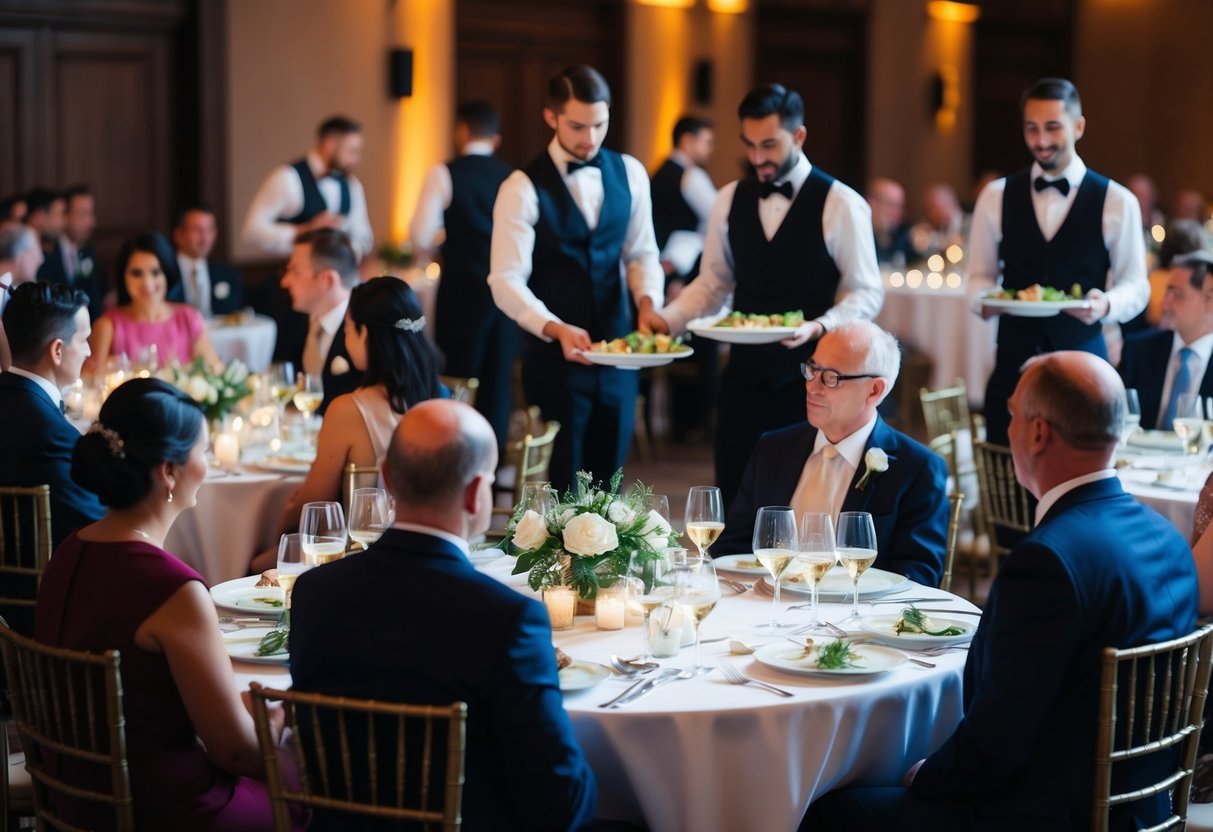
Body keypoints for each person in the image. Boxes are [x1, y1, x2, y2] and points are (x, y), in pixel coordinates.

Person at [805, 351, 1199, 831]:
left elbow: (996, 745)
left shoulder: (1047, 561)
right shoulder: (1168, 538)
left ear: (1037, 432)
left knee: (827, 810)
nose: (1005, 429)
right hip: (1141, 808)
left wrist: (928, 775)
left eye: (1011, 415)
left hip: (1044, 816)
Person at [290, 399, 597, 831]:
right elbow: (559, 802)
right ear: (476, 492)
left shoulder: (313, 592)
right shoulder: (509, 619)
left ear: (387, 476)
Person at [34, 378, 300, 831]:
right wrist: (283, 719)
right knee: (319, 798)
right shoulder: (172, 588)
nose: (210, 461)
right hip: (164, 810)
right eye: (203, 448)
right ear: (169, 473)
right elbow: (235, 750)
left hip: (81, 797)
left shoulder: (68, 551)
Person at [642, 83, 883, 512]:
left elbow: (866, 291)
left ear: (799, 136)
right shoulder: (728, 198)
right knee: (735, 499)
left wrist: (820, 325)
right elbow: (714, 282)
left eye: (769, 145)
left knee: (801, 508)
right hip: (743, 379)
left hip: (815, 384)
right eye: (749, 145)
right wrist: (669, 319)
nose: (757, 158)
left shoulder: (841, 203)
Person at [488, 65, 664, 490]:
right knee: (565, 482)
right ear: (551, 118)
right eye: (577, 126)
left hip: (620, 355)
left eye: (600, 124)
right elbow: (505, 279)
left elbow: (641, 252)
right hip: (554, 362)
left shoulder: (631, 172)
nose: (590, 138)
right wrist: (556, 328)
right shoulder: (521, 186)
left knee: (613, 485)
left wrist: (647, 302)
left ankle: (610, 558)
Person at [970, 77, 1148, 444]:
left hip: (1085, 372)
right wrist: (984, 301)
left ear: (1078, 126)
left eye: (1052, 128)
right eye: (1031, 129)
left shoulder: (1118, 200)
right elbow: (978, 277)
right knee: (1009, 486)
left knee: (1078, 486)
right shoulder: (996, 196)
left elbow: (1137, 285)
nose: (1041, 141)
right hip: (1012, 369)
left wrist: (1106, 303)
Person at [716, 321, 948, 586]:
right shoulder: (774, 448)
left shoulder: (917, 469)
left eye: (831, 378)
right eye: (812, 369)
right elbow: (733, 545)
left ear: (874, 390)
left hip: (855, 622)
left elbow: (919, 578)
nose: (812, 387)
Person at [251, 276, 441, 573]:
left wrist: (282, 513)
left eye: (348, 328)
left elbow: (315, 503)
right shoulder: (445, 402)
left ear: (364, 333)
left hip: (365, 555)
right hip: (433, 552)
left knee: (255, 563)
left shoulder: (349, 409)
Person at [410, 100, 518, 453]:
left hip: (461, 291)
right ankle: (493, 458)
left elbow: (420, 235)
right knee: (497, 381)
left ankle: (453, 453)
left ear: (462, 131)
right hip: (505, 293)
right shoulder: (512, 177)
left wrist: (448, 241)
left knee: (456, 376)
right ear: (497, 138)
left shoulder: (444, 172)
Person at [0, 282, 104, 631]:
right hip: (40, 617)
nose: (89, 351)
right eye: (84, 339)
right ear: (57, 350)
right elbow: (97, 527)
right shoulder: (51, 435)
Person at [651, 114, 719, 440]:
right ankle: (693, 422)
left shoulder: (659, 172)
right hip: (679, 276)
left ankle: (679, 423)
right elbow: (719, 223)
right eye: (707, 141)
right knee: (698, 346)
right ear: (687, 140)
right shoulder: (690, 176)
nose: (710, 148)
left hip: (663, 274)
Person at [241, 114, 373, 259]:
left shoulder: (352, 185)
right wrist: (305, 230)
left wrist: (344, 245)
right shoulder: (288, 178)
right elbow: (251, 232)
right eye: (352, 151)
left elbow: (364, 239)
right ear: (329, 145)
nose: (356, 159)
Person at [89, 232, 220, 372]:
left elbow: (214, 373)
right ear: (123, 276)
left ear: (167, 274)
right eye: (137, 273)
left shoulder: (188, 318)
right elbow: (93, 384)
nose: (147, 283)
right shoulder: (108, 326)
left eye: (156, 272)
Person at [1120, 251, 1213, 429]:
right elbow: (1118, 419)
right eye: (1167, 293)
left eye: (1176, 294)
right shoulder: (1138, 350)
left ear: (1210, 301)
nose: (1164, 303)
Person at [279, 228, 365, 414]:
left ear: (327, 279)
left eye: (295, 271)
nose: (284, 281)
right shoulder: (293, 318)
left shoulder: (366, 329)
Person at [37, 184, 106, 319]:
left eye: (91, 213)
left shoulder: (88, 250)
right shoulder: (47, 251)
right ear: (65, 216)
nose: (92, 222)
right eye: (83, 214)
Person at [173, 203, 245, 317]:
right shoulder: (163, 273)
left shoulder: (228, 274)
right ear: (179, 235)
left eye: (210, 230)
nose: (204, 238)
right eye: (196, 230)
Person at [0, 223, 45, 368]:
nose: (41, 259)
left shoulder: (11, 291)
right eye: (36, 252)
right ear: (21, 256)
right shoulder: (3, 292)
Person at [909, 182, 968, 259]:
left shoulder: (971, 224)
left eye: (932, 208)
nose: (929, 215)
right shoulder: (939, 227)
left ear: (946, 204)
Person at [866, 177, 912, 267]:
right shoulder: (857, 239)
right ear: (872, 203)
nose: (897, 213)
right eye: (891, 205)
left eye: (900, 207)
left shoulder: (903, 238)